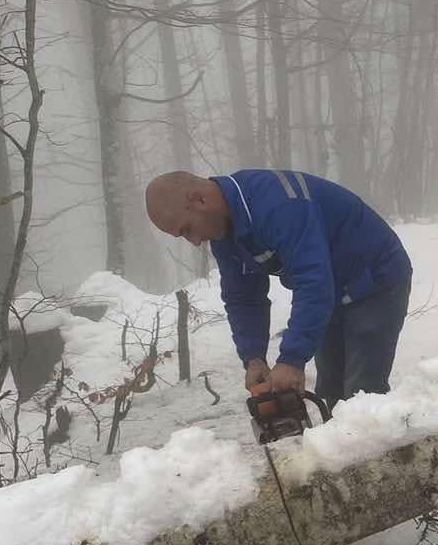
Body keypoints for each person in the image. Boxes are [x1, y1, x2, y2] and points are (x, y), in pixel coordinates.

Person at [145, 169, 412, 404]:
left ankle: (384, 454)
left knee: (362, 391)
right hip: (331, 292)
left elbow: (312, 279)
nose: (194, 241)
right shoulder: (226, 232)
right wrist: (254, 358)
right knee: (331, 390)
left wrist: (291, 359)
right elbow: (243, 298)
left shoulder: (278, 204)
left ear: (200, 200)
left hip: (376, 279)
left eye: (187, 229)